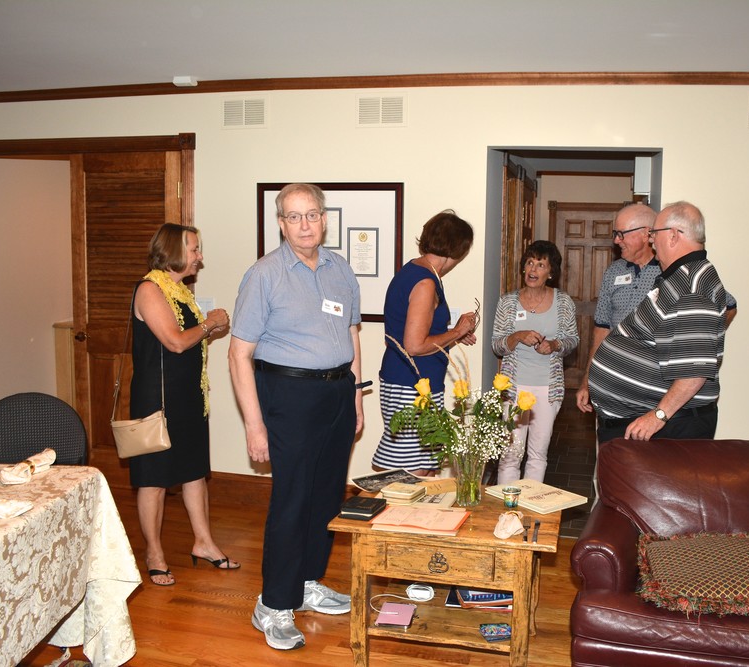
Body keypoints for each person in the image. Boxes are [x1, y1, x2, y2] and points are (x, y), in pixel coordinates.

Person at [228, 183, 364, 652]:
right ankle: (273, 604)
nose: (304, 225)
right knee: (292, 499)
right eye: (294, 216)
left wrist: (356, 398)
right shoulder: (264, 275)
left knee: (326, 496)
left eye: (311, 215)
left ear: (324, 219)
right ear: (281, 223)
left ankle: (306, 583)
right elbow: (238, 354)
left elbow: (352, 334)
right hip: (288, 396)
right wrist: (254, 425)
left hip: (337, 393)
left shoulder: (340, 268)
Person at [129, 223, 235, 588]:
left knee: (194, 472)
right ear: (174, 250)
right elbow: (175, 342)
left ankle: (204, 543)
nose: (199, 256)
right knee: (154, 479)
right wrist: (210, 324)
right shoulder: (149, 289)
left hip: (188, 396)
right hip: (156, 401)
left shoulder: (179, 290)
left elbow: (187, 339)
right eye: (194, 249)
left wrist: (208, 328)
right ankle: (154, 554)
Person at [587, 201, 730, 443]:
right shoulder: (680, 277)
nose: (651, 240)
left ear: (673, 235)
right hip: (646, 420)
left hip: (668, 426)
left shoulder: (693, 287)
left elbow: (694, 371)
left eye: (654, 233)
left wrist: (658, 416)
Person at [372, 210, 478, 475]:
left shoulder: (417, 271)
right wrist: (457, 331)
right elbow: (415, 346)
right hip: (410, 384)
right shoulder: (425, 282)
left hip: (415, 380)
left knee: (424, 467)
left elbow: (419, 335)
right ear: (458, 250)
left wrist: (453, 335)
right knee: (411, 473)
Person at [491, 240, 579, 484]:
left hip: (548, 388)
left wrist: (554, 345)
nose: (533, 269)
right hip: (513, 388)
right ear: (523, 267)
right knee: (510, 455)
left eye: (541, 265)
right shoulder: (507, 302)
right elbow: (497, 345)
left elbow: (572, 339)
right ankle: (507, 504)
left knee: (538, 455)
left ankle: (530, 504)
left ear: (550, 273)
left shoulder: (563, 302)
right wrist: (517, 336)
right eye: (530, 263)